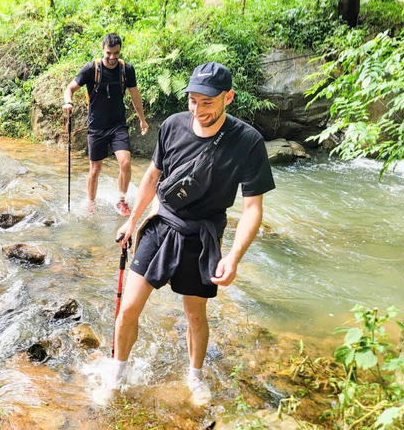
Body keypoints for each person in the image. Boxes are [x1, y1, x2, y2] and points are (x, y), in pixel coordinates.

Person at [111, 61, 275, 405]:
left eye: (207, 102)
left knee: (195, 315)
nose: (198, 110)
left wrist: (233, 257)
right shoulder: (172, 126)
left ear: (228, 97)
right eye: (193, 101)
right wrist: (131, 221)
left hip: (203, 237)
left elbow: (252, 209)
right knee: (128, 310)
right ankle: (116, 377)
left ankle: (195, 377)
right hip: (162, 225)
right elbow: (152, 178)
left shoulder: (248, 143)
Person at [63, 33, 149, 216]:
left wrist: (142, 119)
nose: (112, 57)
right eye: (108, 53)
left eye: (116, 53)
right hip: (96, 127)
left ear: (120, 51)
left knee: (125, 163)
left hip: (118, 125)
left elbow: (135, 96)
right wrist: (68, 102)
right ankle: (91, 202)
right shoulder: (91, 69)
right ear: (103, 50)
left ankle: (122, 201)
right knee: (95, 169)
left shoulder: (127, 70)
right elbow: (69, 89)